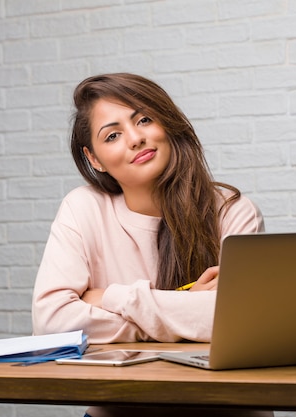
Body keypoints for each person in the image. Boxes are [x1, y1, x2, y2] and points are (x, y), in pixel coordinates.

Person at [32, 73, 268, 417]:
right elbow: (52, 323)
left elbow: (241, 323)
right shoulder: (83, 208)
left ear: (167, 123)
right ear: (94, 158)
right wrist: (187, 305)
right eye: (112, 135)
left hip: (226, 411)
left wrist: (112, 296)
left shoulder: (231, 209)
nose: (135, 138)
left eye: (144, 119)